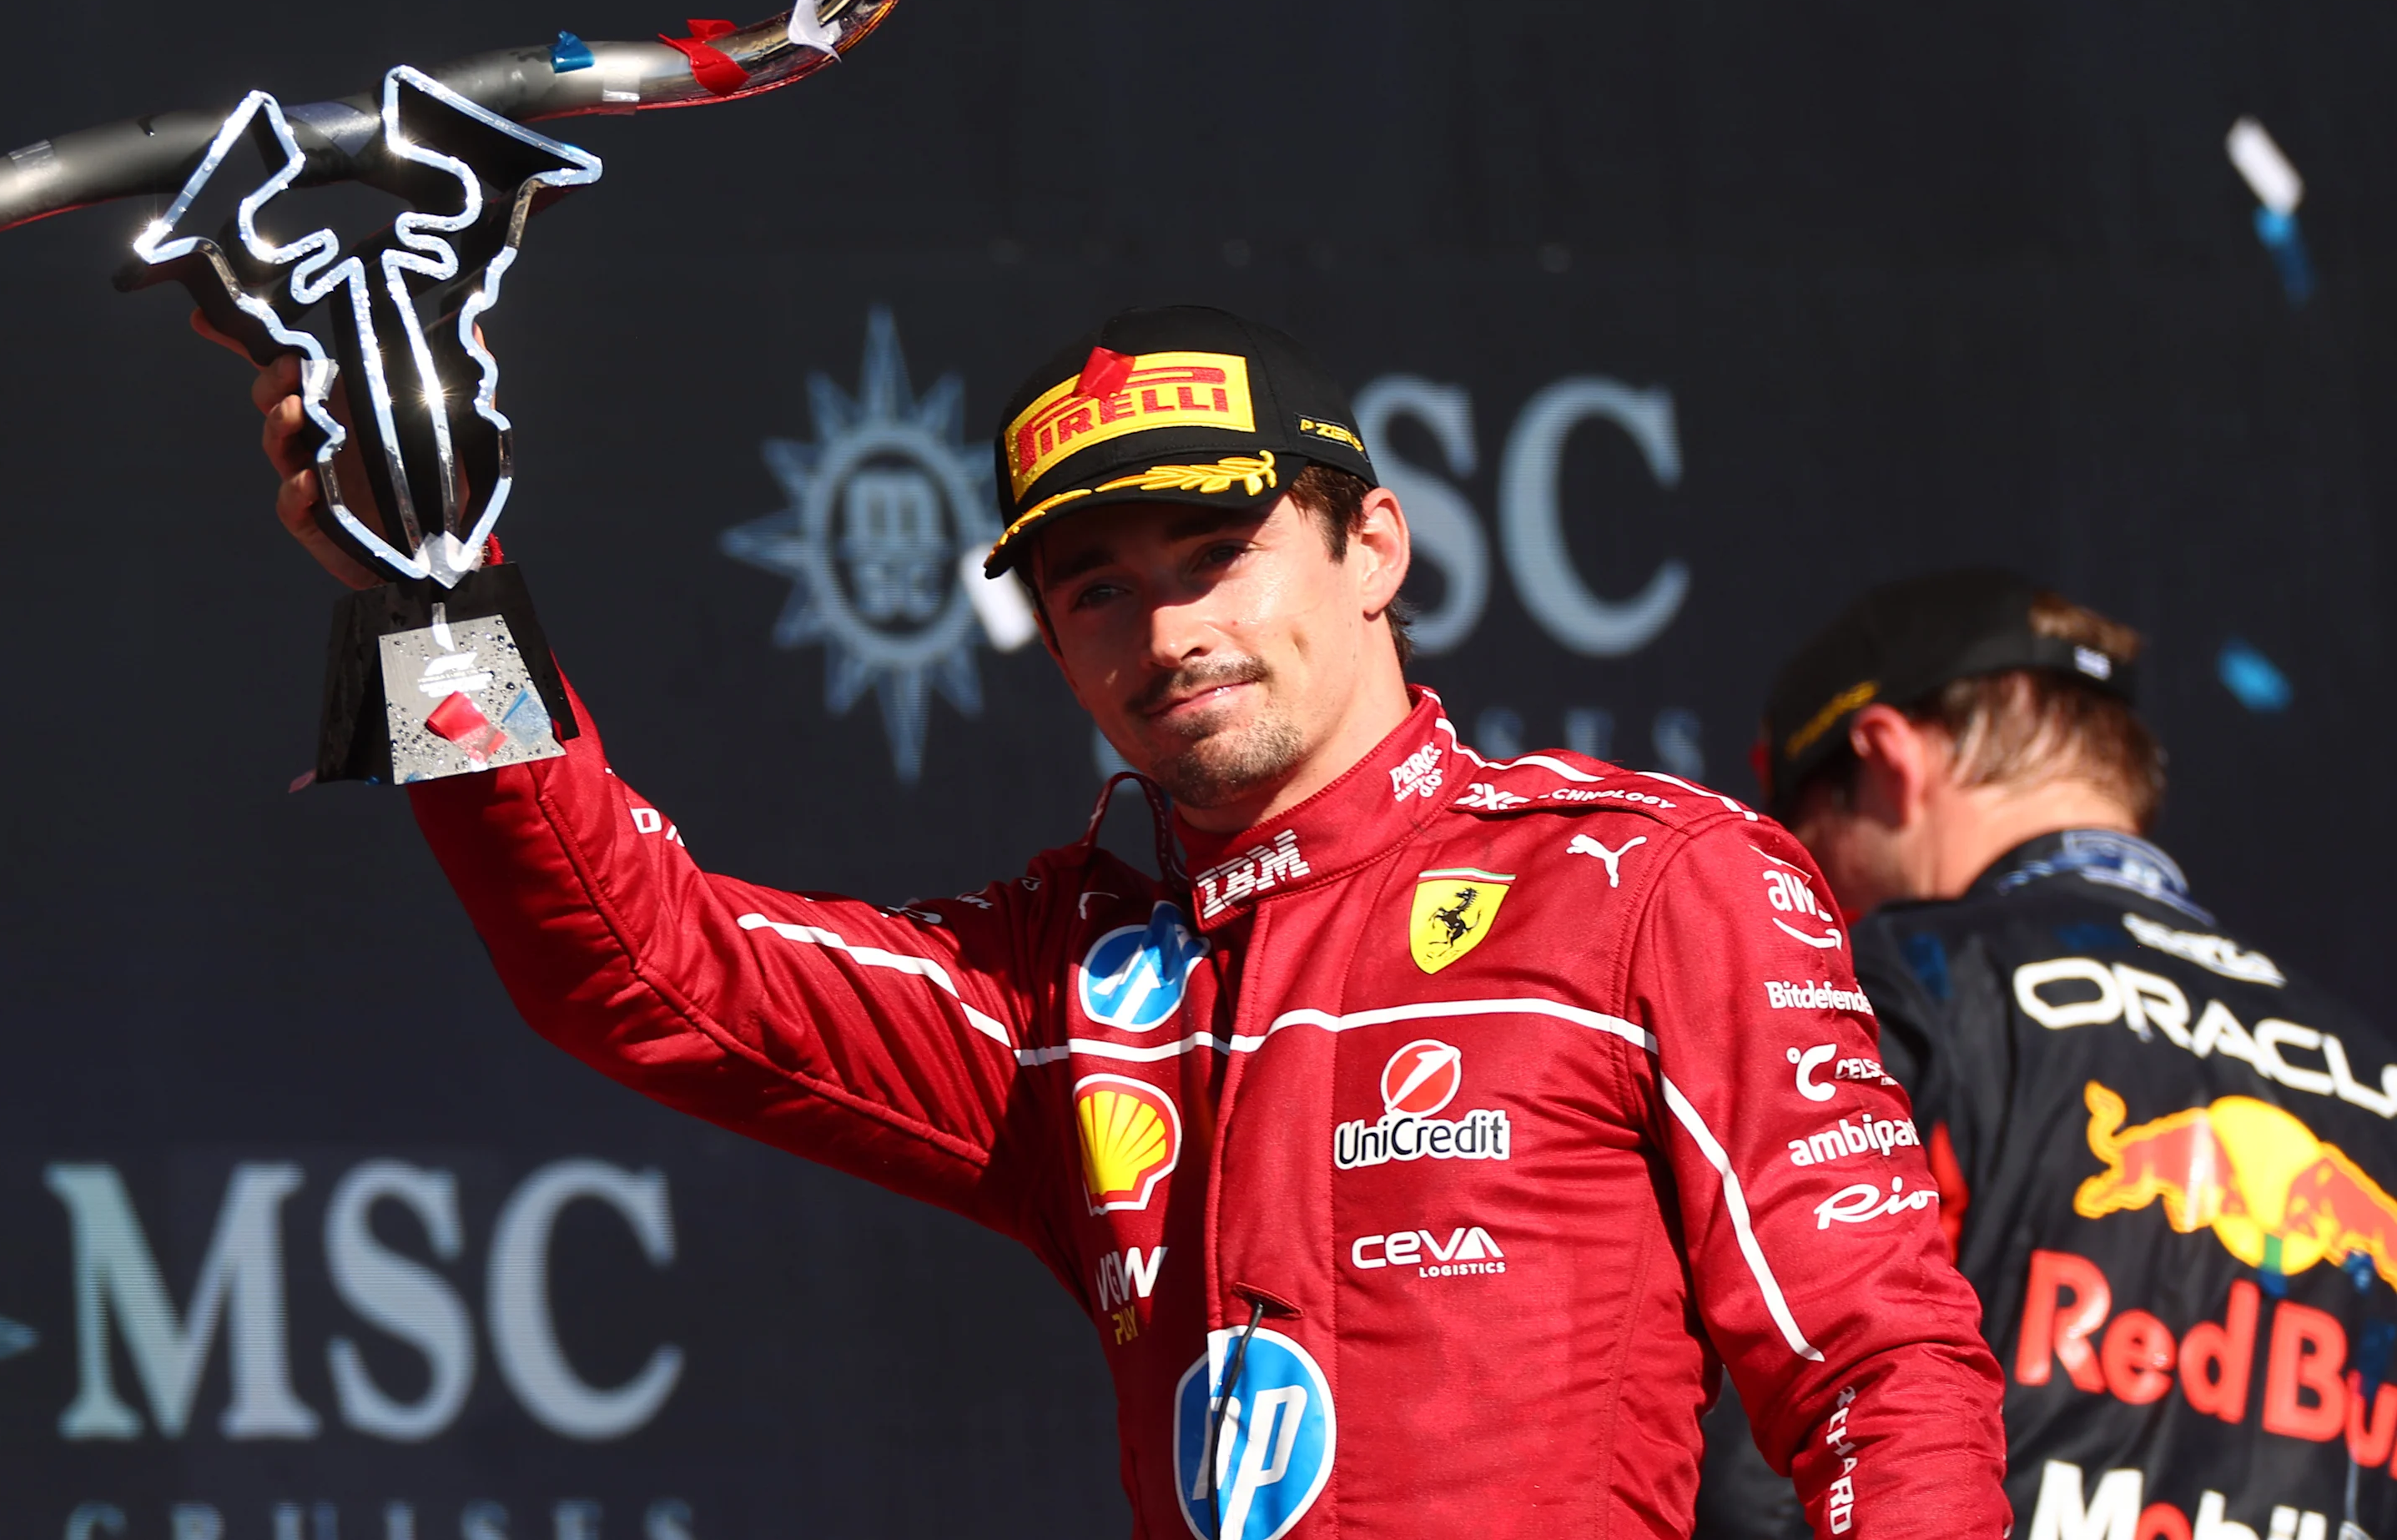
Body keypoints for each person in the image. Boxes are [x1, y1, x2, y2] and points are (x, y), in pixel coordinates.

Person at [226, 304, 2006, 1539]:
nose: (1162, 635)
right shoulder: (1066, 973)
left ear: (1373, 545)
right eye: (1095, 587)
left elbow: (1876, 1362)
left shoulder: (1647, 876)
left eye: (1213, 552)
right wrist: (429, 594)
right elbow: (639, 970)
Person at [1700, 569, 2397, 1540]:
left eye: (1809, 829)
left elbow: (1760, 1456)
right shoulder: (2373, 1078)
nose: (1814, 879)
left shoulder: (1892, 988)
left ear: (1887, 758)